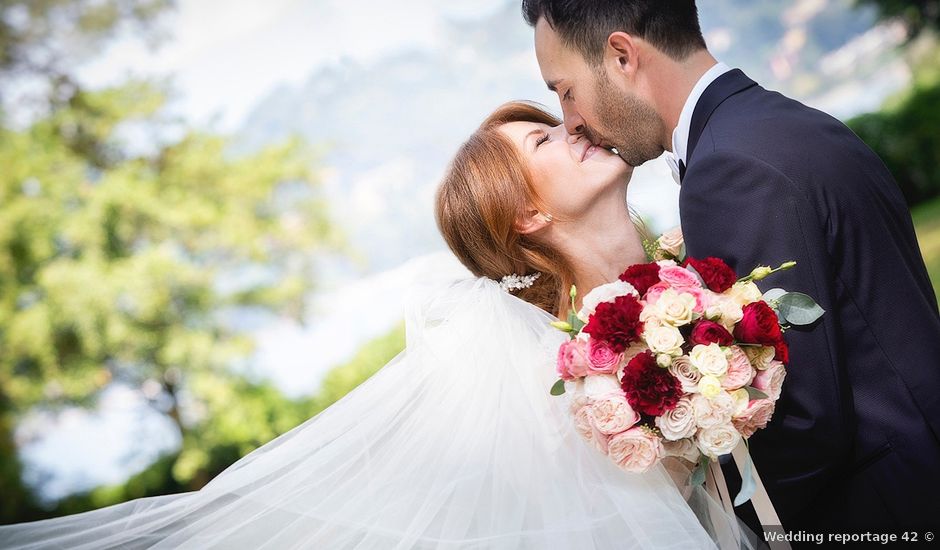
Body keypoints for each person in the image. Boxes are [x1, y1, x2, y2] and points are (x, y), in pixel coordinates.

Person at [0, 103, 758, 549]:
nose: (573, 127)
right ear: (527, 214)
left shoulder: (709, 269)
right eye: (544, 140)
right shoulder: (561, 382)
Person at [522, 0, 940, 537]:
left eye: (565, 91)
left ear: (622, 55)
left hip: (891, 505)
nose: (571, 120)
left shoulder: (728, 171)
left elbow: (804, 417)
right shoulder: (774, 121)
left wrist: (704, 527)